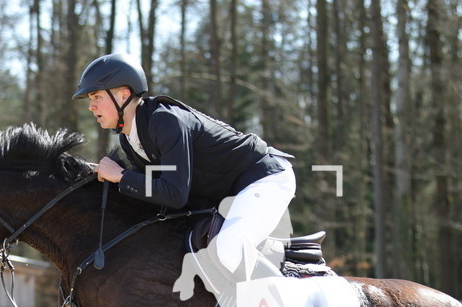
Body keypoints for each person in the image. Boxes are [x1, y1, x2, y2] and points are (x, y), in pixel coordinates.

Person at [72, 53, 295, 292]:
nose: (90, 106)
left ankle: (290, 304)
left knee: (228, 251)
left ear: (123, 95)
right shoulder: (130, 138)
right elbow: (153, 192)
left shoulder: (165, 121)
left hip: (264, 178)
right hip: (232, 194)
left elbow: (174, 193)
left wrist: (122, 176)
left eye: (96, 96)